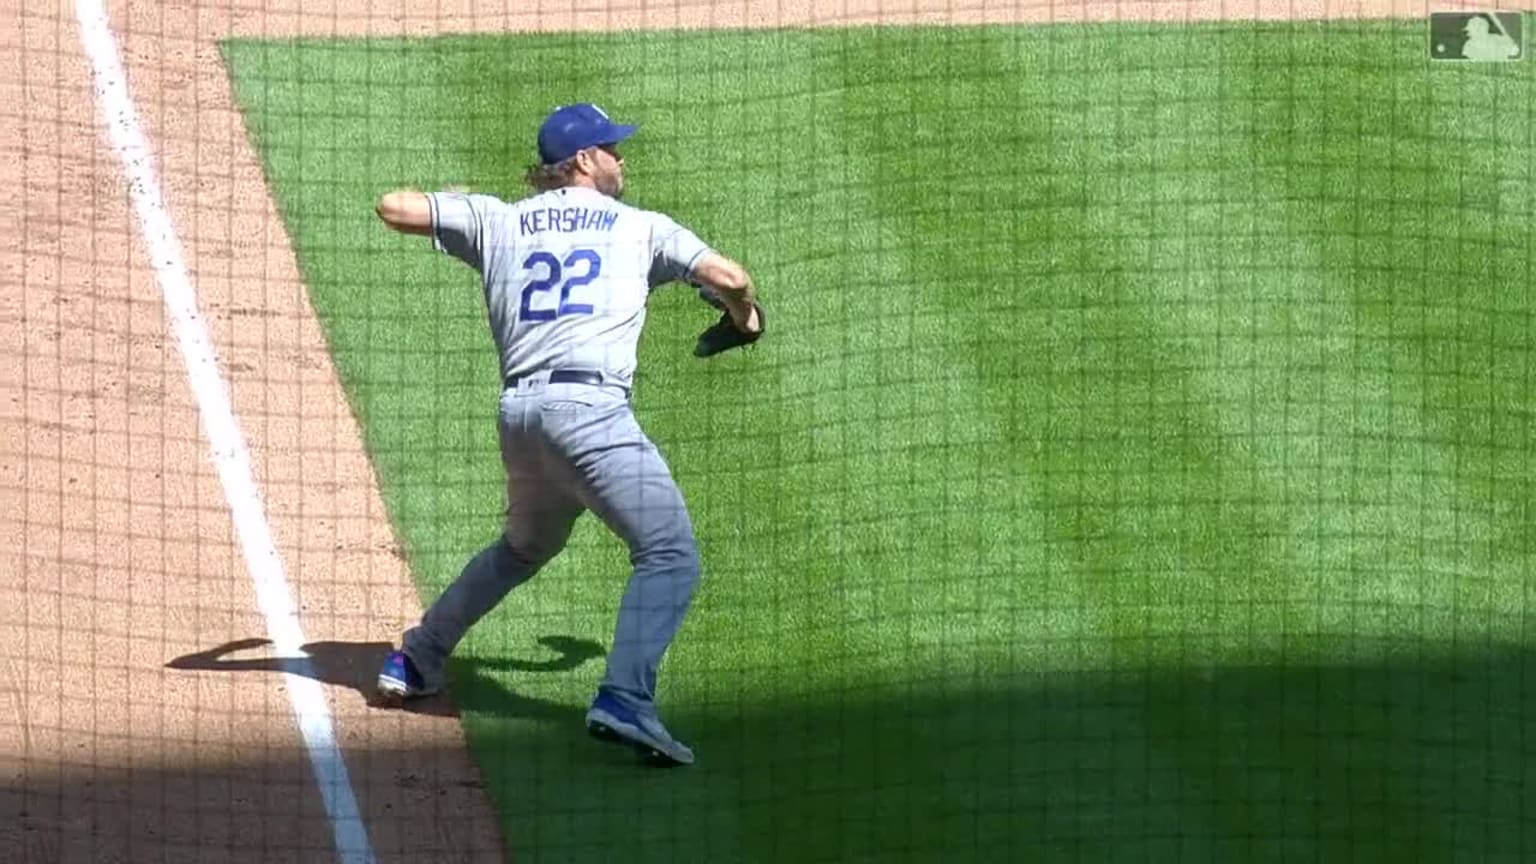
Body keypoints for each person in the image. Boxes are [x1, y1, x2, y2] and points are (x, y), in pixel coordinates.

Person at [369, 103, 763, 766]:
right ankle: (626, 699)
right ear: (584, 161)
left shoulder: (500, 219)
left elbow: (393, 206)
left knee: (524, 548)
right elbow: (730, 276)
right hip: (591, 415)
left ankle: (416, 658)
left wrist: (466, 203)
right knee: (669, 552)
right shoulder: (642, 227)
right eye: (613, 148)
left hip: (520, 419)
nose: (622, 160)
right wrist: (745, 317)